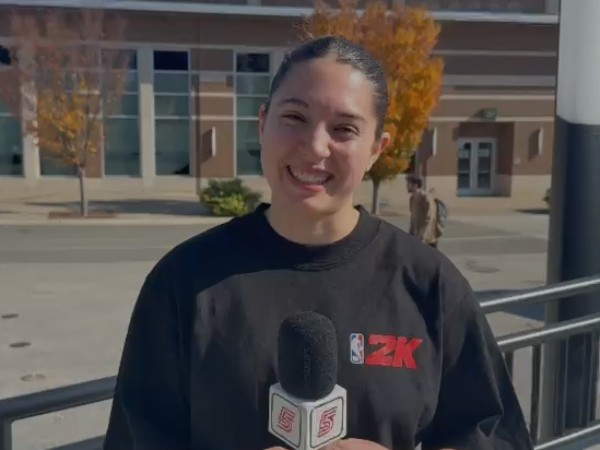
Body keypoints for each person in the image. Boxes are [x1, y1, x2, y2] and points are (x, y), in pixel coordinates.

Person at [103, 36, 533, 450]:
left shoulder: (429, 284)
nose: (314, 147)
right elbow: (136, 438)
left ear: (376, 149)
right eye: (295, 117)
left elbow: (493, 435)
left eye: (344, 128)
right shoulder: (184, 281)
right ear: (262, 123)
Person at [406, 174, 441, 249]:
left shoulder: (426, 199)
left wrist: (422, 237)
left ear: (415, 185)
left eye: (409, 184)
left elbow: (429, 220)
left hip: (428, 240)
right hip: (416, 238)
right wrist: (410, 234)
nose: (407, 186)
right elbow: (413, 218)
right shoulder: (412, 199)